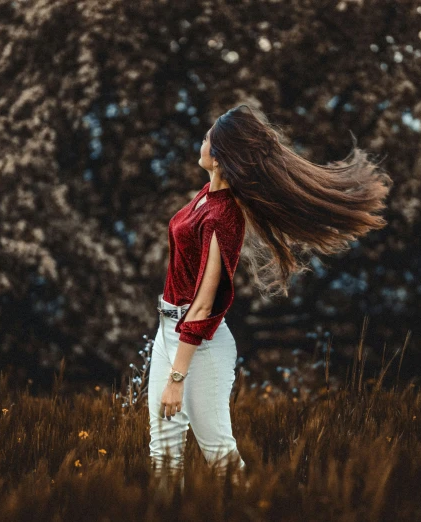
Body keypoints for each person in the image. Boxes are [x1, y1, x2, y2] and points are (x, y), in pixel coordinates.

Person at [148, 104, 393, 491]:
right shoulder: (205, 197)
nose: (203, 140)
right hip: (169, 331)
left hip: (199, 344)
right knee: (163, 449)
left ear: (221, 155)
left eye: (209, 136)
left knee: (217, 451)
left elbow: (205, 301)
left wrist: (177, 377)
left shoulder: (223, 216)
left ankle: (258, 509)